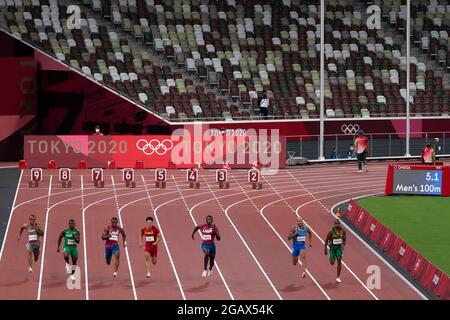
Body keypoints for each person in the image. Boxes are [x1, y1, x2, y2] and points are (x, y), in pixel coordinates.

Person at [324, 219, 346, 283]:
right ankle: (331, 257)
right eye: (336, 223)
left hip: (339, 248)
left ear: (340, 224)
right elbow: (326, 240)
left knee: (339, 260)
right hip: (332, 248)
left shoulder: (343, 231)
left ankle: (338, 277)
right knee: (332, 262)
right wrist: (325, 248)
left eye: (338, 223)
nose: (337, 225)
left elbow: (344, 239)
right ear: (334, 224)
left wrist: (343, 246)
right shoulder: (331, 231)